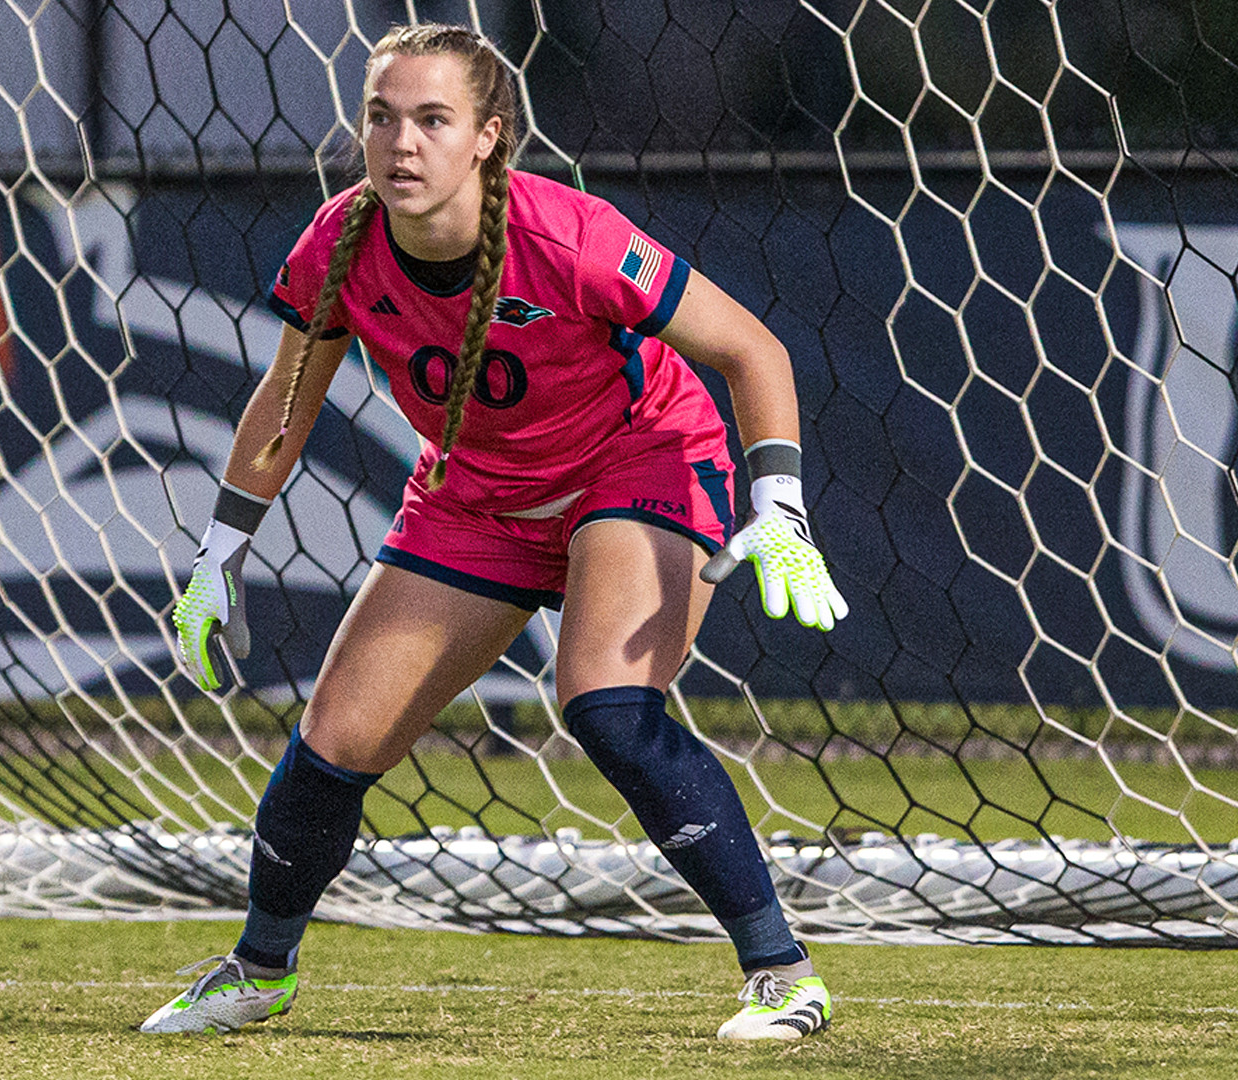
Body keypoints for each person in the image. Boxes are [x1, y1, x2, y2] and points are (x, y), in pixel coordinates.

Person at [141, 23, 847, 1041]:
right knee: (335, 739)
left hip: (635, 460)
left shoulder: (569, 235)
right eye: (382, 117)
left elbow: (753, 349)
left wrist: (777, 507)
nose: (402, 143)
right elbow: (285, 403)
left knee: (605, 705)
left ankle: (783, 975)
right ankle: (258, 969)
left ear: (487, 138)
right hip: (477, 496)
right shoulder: (341, 243)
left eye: (433, 119)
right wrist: (219, 553)